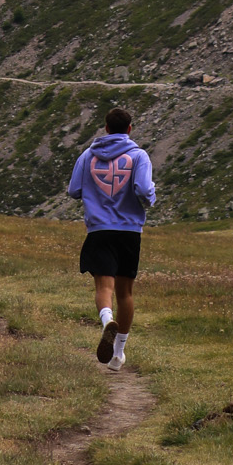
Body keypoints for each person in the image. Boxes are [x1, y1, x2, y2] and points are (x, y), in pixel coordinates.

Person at [67, 105, 156, 372]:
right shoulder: (139, 155)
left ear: (106, 128)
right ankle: (118, 354)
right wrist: (150, 198)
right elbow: (143, 189)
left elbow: (73, 190)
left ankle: (107, 321)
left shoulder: (87, 156)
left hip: (99, 230)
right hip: (129, 231)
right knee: (125, 292)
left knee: (103, 288)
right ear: (129, 129)